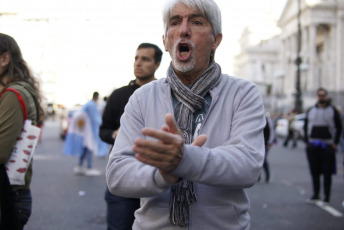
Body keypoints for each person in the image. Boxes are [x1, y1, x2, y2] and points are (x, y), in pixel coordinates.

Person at [106, 0, 266, 229]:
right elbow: (117, 175)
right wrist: (163, 174)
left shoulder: (242, 93)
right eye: (175, 22)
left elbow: (247, 165)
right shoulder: (142, 98)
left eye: (197, 21)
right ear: (166, 41)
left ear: (216, 40)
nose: (183, 30)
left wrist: (184, 159)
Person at [100, 43, 162, 230]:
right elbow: (103, 130)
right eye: (136, 58)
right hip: (124, 176)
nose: (138, 63)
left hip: (157, 177)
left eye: (145, 59)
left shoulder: (164, 94)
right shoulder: (119, 95)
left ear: (157, 64)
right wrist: (115, 134)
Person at [0, 33, 43, 229]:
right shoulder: (19, 90)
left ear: (4, 59)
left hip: (8, 196)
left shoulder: (12, 95)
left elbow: (1, 152)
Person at [304, 88, 342, 204]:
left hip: (328, 145)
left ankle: (326, 196)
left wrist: (335, 142)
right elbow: (306, 126)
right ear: (317, 96)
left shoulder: (333, 110)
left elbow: (339, 127)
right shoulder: (311, 110)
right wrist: (307, 141)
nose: (321, 97)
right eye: (319, 95)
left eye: (323, 95)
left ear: (326, 96)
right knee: (314, 171)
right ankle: (315, 194)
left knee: (327, 172)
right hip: (313, 144)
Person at [64, 91, 108, 176]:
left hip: (85, 131)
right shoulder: (91, 105)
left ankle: (81, 166)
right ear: (97, 97)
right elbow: (95, 119)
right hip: (88, 131)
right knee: (89, 148)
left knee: (86, 148)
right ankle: (89, 167)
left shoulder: (88, 104)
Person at [259, 114, 275, 183]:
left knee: (264, 159)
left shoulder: (267, 119)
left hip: (266, 143)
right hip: (258, 144)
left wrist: (269, 143)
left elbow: (271, 132)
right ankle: (258, 176)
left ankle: (267, 175)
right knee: (257, 159)